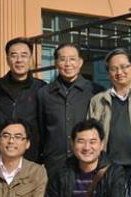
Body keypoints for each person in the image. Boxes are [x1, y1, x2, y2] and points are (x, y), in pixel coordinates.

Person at [37, 43, 104, 176]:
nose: (68, 64)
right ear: (56, 63)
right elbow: (40, 129)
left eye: (72, 59)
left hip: (87, 161)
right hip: (55, 163)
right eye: (63, 59)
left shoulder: (95, 92)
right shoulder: (44, 93)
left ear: (80, 62)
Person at [0, 37, 46, 163]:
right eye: (14, 55)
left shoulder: (41, 89)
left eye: (24, 55)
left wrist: (41, 158)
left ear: (31, 59)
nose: (19, 60)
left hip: (31, 162)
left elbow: (47, 126)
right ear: (7, 59)